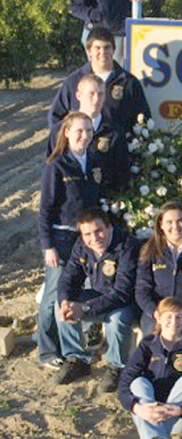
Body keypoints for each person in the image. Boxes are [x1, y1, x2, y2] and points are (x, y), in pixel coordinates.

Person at [37, 111, 101, 371]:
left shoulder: (92, 161)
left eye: (88, 131)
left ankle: (73, 347)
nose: (84, 136)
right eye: (78, 131)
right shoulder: (57, 165)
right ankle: (47, 350)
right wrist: (47, 245)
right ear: (66, 132)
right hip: (62, 238)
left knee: (77, 290)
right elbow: (44, 210)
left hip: (85, 238)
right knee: (53, 295)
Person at [55, 209, 139, 391]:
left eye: (99, 230)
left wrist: (85, 309)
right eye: (87, 234)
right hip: (98, 297)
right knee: (61, 305)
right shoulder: (82, 245)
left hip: (125, 302)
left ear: (109, 227)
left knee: (117, 319)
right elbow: (68, 278)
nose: (94, 238)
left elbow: (123, 292)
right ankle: (78, 359)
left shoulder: (127, 245)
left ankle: (116, 367)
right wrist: (65, 301)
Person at [118, 297, 182, 439]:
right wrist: (137, 408)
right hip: (148, 410)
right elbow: (124, 382)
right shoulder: (147, 345)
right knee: (138, 382)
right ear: (158, 318)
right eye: (168, 317)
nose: (173, 322)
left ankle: (153, 432)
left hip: (179, 417)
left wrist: (181, 409)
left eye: (178, 317)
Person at [48, 27, 150, 135]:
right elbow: (55, 116)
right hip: (84, 150)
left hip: (118, 149)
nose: (103, 52)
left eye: (107, 47)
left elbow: (143, 120)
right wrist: (68, 144)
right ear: (89, 51)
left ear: (113, 49)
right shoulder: (74, 81)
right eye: (97, 48)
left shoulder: (129, 82)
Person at [136, 202, 182, 338]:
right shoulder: (149, 251)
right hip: (156, 314)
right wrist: (155, 312)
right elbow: (142, 289)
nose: (175, 226)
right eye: (169, 222)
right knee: (154, 346)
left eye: (180, 221)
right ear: (161, 225)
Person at [47, 74, 129, 194]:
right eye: (91, 94)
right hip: (68, 205)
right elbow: (51, 173)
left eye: (100, 94)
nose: (96, 99)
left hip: (103, 205)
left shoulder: (114, 132)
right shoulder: (60, 130)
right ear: (78, 96)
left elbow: (121, 175)